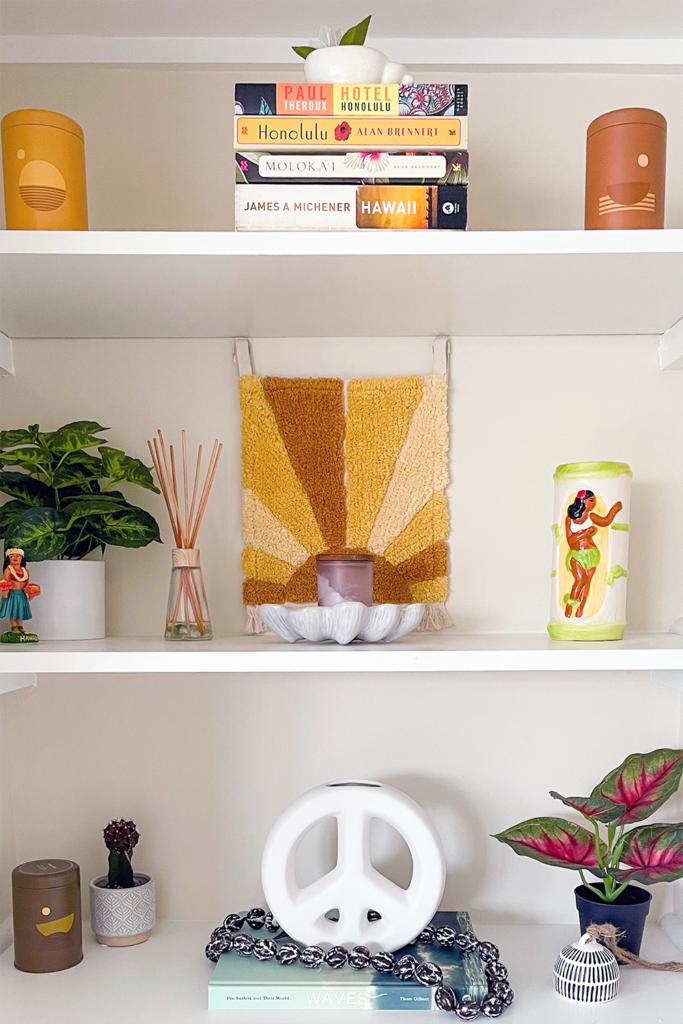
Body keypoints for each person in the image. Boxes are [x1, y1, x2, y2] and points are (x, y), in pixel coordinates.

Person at [564, 490, 622, 619]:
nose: (594, 504)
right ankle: (570, 606)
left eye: (594, 501)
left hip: (592, 554)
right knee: (580, 580)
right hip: (577, 554)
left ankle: (581, 607)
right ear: (583, 502)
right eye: (591, 501)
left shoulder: (591, 516)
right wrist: (586, 532)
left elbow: (606, 521)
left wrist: (616, 508)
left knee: (587, 582)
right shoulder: (570, 519)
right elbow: (571, 541)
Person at [0, 548, 40, 635]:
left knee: (20, 610)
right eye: (12, 556)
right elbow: (6, 582)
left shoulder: (25, 571)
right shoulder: (8, 569)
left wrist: (31, 592)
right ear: (8, 559)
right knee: (13, 610)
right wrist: (5, 592)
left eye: (18, 556)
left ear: (21, 558)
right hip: (12, 593)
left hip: (21, 594)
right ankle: (14, 626)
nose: (15, 558)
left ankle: (20, 626)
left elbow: (27, 584)